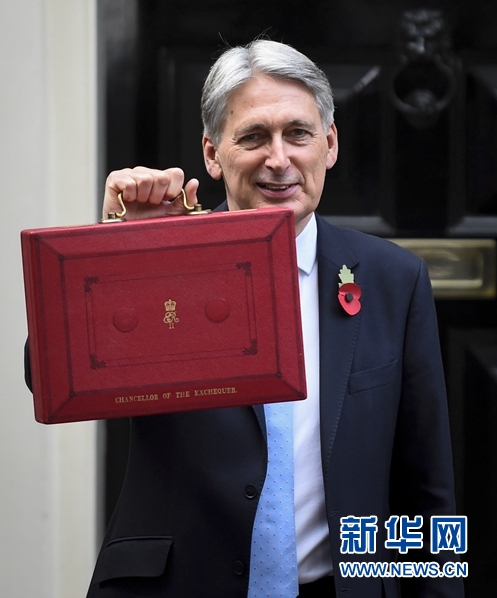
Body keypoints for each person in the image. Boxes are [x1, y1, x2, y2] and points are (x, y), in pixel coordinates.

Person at [32, 39, 464, 597]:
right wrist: (127, 257)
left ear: (330, 144)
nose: (279, 160)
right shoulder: (166, 261)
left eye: (298, 133)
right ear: (213, 154)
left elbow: (427, 490)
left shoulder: (393, 280)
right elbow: (50, 378)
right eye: (254, 137)